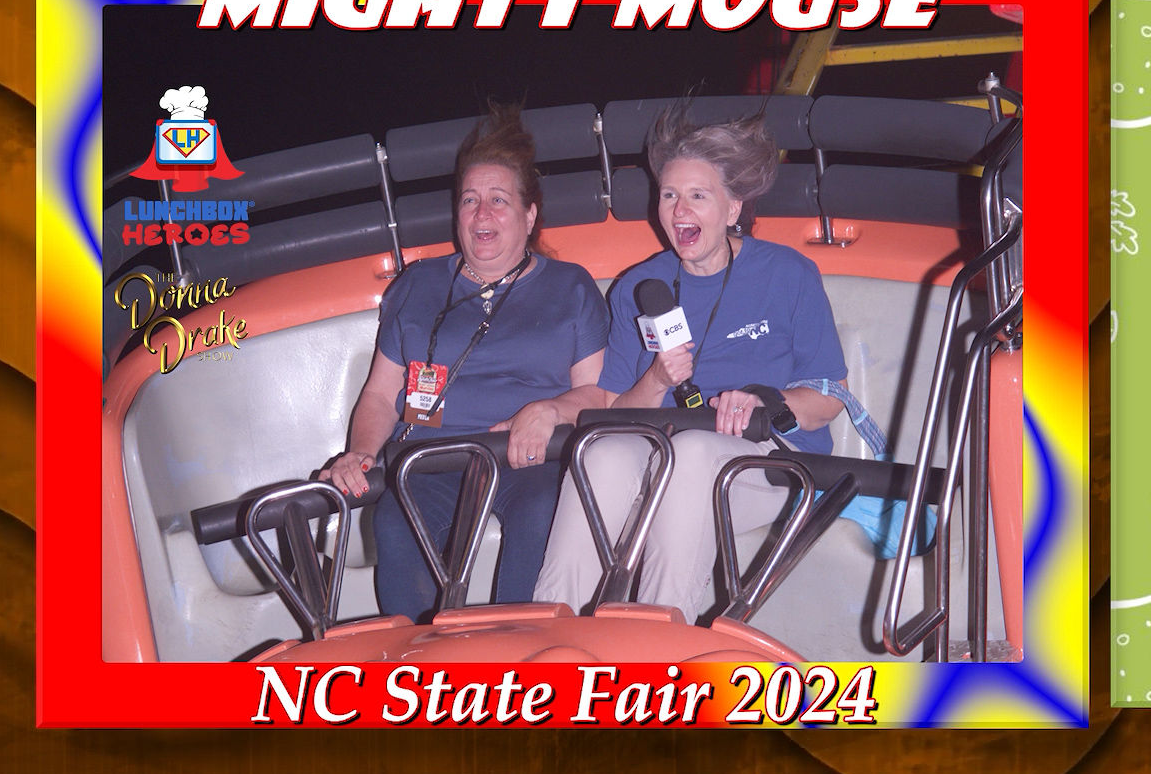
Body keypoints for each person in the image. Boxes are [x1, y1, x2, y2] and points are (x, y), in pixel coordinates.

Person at [532, 104, 847, 620]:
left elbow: (829, 397)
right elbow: (613, 410)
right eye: (670, 196)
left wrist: (764, 401)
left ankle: (658, 647)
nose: (679, 211)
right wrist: (656, 379)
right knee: (601, 454)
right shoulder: (638, 285)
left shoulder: (788, 273)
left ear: (732, 209)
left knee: (696, 450)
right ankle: (555, 633)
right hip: (667, 447)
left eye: (698, 196)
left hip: (769, 463)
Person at [322, 104, 608, 622]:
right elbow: (382, 395)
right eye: (470, 200)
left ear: (530, 215)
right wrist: (360, 454)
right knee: (395, 520)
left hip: (530, 458)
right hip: (431, 456)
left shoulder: (571, 287)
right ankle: (418, 667)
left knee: (546, 511)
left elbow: (597, 394)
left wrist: (548, 410)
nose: (481, 215)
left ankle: (515, 663)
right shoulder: (417, 284)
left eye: (499, 201)